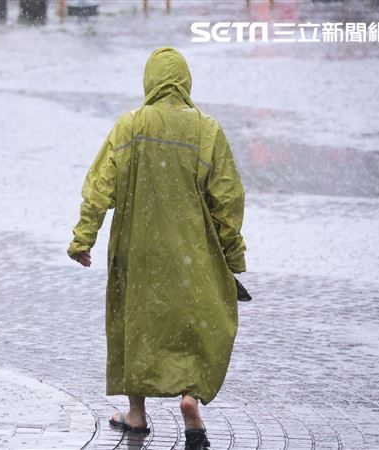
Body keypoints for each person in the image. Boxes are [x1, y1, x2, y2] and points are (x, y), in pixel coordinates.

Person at [67, 47, 246, 450]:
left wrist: (84, 237)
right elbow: (228, 201)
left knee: (137, 328)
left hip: (138, 253)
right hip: (192, 255)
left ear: (149, 82)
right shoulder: (207, 131)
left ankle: (137, 413)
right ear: (185, 83)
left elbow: (98, 187)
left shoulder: (129, 127)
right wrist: (233, 255)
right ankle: (189, 397)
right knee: (191, 326)